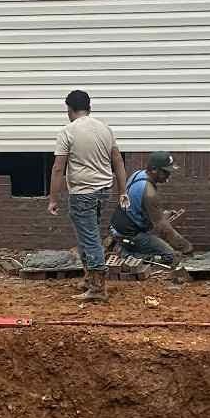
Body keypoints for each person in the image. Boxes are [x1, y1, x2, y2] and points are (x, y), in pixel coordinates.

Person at [48, 88, 127, 303]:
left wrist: (53, 198)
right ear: (89, 108)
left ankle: (97, 288)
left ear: (69, 110)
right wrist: (123, 191)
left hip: (82, 192)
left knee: (90, 238)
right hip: (104, 191)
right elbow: (118, 161)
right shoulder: (105, 129)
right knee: (88, 234)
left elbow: (58, 168)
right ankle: (88, 278)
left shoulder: (68, 131)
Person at [111, 151, 194, 266]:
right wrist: (185, 246)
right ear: (154, 169)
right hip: (130, 235)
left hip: (119, 227)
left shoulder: (138, 174)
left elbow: (138, 207)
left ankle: (126, 247)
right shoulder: (149, 193)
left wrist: (162, 215)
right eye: (166, 172)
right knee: (171, 257)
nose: (169, 175)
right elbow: (163, 229)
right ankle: (125, 254)